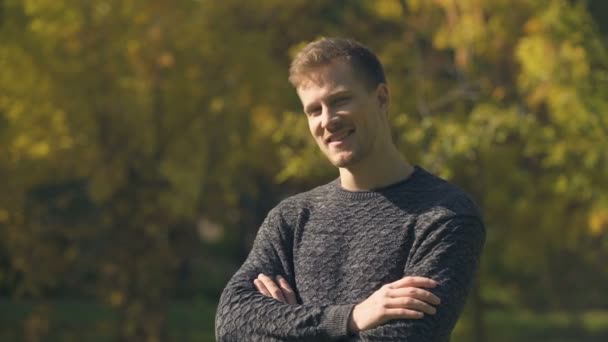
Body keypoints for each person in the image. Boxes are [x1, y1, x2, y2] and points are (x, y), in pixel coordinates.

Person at [215, 37, 485, 341]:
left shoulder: (445, 215)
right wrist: (352, 317)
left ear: (382, 98)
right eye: (314, 110)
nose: (327, 121)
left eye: (340, 100)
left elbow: (405, 337)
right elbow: (232, 319)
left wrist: (287, 329)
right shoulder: (291, 218)